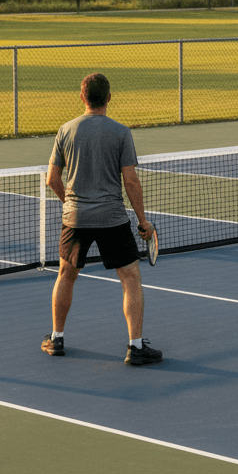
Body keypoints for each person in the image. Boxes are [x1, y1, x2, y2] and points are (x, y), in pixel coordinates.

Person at [43, 73, 162, 366]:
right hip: (112, 218)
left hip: (75, 219)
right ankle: (135, 347)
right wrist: (143, 220)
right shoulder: (121, 132)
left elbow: (51, 179)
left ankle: (56, 339)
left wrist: (71, 203)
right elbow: (131, 181)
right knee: (131, 279)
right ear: (109, 97)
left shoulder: (66, 130)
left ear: (82, 97)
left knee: (65, 275)